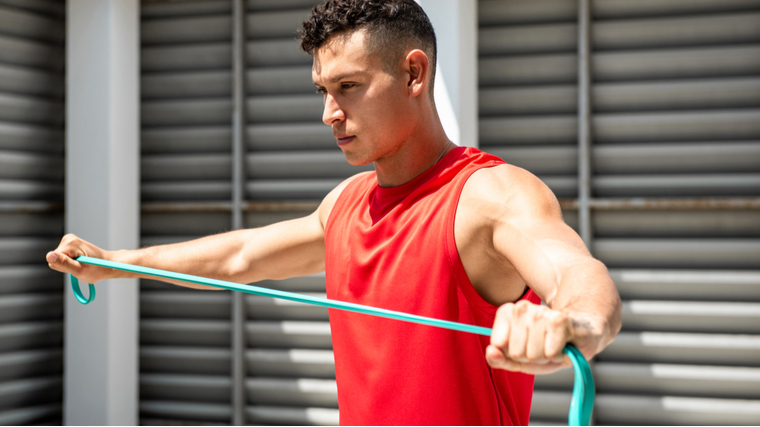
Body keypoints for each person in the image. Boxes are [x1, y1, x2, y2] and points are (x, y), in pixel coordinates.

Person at [47, 0, 621, 424]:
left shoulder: (488, 195)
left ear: (414, 75)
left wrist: (570, 324)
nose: (328, 112)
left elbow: (580, 276)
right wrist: (115, 263)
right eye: (321, 89)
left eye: (347, 87)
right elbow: (240, 256)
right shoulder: (345, 204)